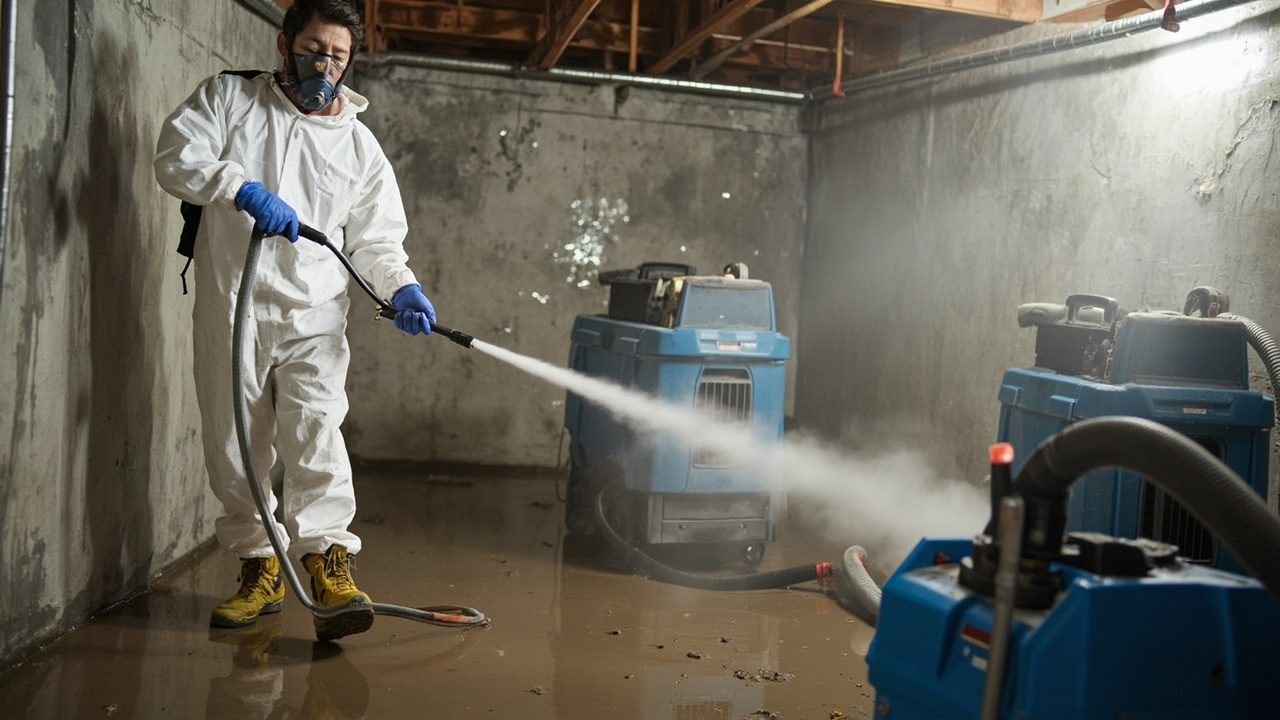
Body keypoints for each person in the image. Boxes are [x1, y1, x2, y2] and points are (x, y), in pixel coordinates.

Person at [154, 0, 435, 641]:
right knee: (235, 446)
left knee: (317, 433)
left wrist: (403, 287)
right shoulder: (230, 101)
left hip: (315, 315)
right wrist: (239, 187)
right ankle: (261, 568)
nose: (324, 65)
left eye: (337, 55)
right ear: (285, 46)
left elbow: (377, 240)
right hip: (235, 306)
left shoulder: (359, 147)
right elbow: (175, 156)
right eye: (313, 49)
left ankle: (330, 564)